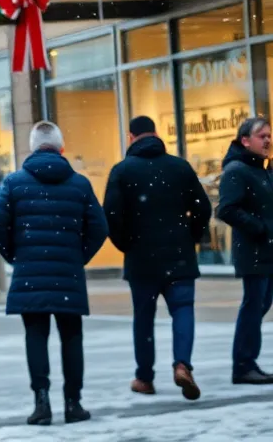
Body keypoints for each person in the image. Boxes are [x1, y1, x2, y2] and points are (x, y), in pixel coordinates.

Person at [0, 121, 107, 426]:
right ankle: (73, 403)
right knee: (72, 337)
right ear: (61, 147)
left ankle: (41, 402)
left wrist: (16, 256)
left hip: (30, 273)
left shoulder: (14, 183)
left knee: (36, 337)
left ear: (31, 147)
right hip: (68, 273)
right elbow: (99, 228)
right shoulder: (79, 184)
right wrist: (78, 257)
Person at [104, 115, 211, 399]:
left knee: (143, 318)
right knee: (183, 310)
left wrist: (126, 244)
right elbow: (203, 208)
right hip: (179, 255)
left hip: (142, 259)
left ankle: (144, 377)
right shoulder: (179, 167)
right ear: (156, 134)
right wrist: (191, 237)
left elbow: (111, 216)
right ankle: (182, 364)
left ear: (130, 137)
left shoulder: (122, 171)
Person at [217, 116, 273, 385]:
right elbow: (226, 209)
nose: (268, 140)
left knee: (261, 304)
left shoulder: (261, 169)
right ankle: (243, 364)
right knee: (253, 305)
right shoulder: (237, 170)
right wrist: (259, 228)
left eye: (269, 136)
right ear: (245, 140)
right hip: (254, 251)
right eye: (262, 136)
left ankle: (246, 360)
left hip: (267, 250)